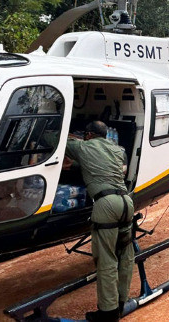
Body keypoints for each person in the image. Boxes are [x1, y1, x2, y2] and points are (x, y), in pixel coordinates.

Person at [65, 121, 134, 322]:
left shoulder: (84, 146)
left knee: (107, 259)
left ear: (88, 135)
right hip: (126, 201)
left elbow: (55, 138)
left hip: (106, 204)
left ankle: (108, 313)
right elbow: (100, 163)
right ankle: (121, 304)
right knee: (125, 255)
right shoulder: (117, 149)